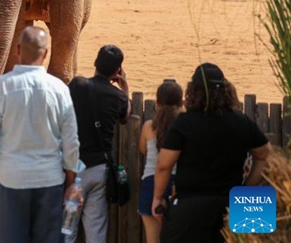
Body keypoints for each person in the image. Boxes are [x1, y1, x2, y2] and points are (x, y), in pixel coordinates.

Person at [0, 26, 81, 243]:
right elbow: (71, 143)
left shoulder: (1, 87)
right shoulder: (59, 89)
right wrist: (72, 181)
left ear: (17, 50)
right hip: (49, 180)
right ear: (46, 53)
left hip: (11, 180)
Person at [152, 63, 271, 243]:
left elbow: (163, 166)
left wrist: (158, 198)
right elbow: (265, 156)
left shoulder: (184, 122)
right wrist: (246, 189)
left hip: (190, 207)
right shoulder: (242, 121)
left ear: (192, 91)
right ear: (226, 90)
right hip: (233, 204)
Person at [66, 44, 131, 243]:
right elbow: (125, 116)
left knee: (67, 229)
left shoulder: (77, 85)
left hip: (74, 173)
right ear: (117, 71)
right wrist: (125, 88)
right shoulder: (118, 96)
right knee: (96, 230)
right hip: (99, 171)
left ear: (95, 63)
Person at [139, 79, 183, 243]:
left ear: (157, 104)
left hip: (151, 182)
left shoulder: (148, 126)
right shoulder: (183, 126)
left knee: (153, 239)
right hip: (177, 185)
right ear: (181, 103)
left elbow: (143, 149)